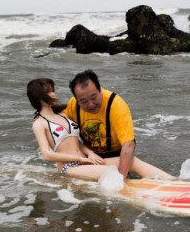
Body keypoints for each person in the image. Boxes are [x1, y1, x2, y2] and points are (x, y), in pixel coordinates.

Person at [27, 76, 173, 181]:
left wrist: (89, 153)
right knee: (112, 172)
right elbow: (47, 155)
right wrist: (78, 158)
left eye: (53, 90)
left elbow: (74, 142)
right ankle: (133, 189)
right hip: (69, 167)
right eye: (49, 92)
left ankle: (174, 181)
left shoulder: (63, 116)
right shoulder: (39, 123)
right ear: (39, 97)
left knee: (131, 162)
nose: (54, 94)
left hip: (84, 160)